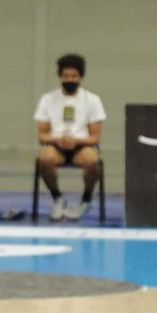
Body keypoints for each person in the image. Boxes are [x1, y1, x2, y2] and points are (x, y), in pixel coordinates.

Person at [34, 53, 106, 221]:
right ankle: (58, 198)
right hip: (56, 145)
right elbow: (42, 135)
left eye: (74, 76)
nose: (70, 80)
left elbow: (95, 138)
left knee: (92, 160)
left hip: (82, 145)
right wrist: (58, 140)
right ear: (60, 76)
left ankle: (86, 199)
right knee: (45, 158)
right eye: (66, 76)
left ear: (81, 77)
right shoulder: (47, 99)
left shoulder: (92, 100)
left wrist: (75, 141)